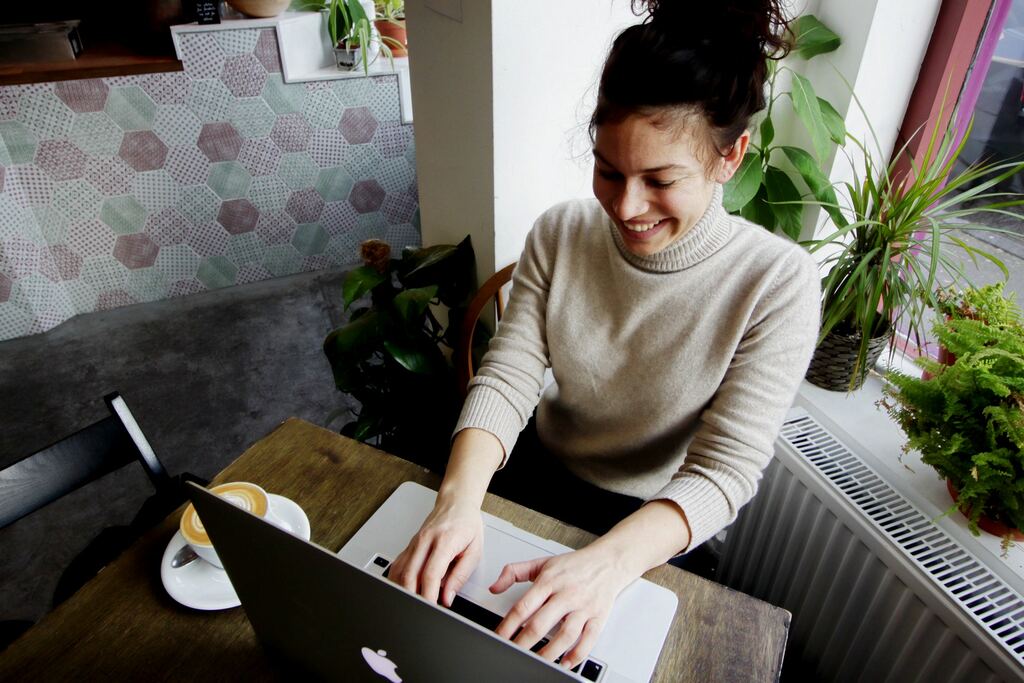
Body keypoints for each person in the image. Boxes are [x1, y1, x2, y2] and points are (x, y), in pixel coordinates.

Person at [389, 0, 821, 671]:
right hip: (536, 473)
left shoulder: (776, 283)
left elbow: (723, 471)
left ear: (730, 157)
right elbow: (508, 376)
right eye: (609, 171)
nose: (626, 207)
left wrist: (609, 564)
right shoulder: (561, 232)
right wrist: (457, 501)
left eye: (661, 180)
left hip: (654, 520)